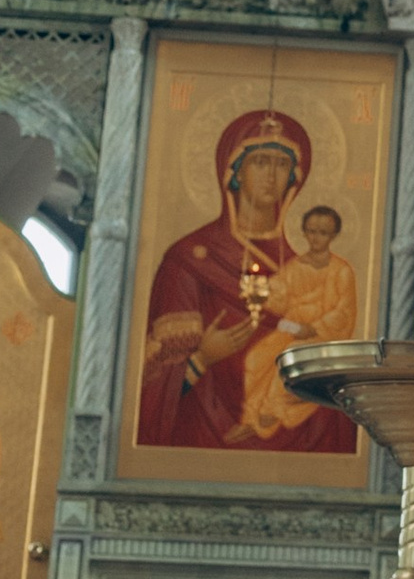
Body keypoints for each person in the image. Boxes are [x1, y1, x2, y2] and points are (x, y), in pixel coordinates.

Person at [138, 110, 353, 456]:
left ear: (294, 178)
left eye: (281, 165)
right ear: (234, 172)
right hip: (199, 440)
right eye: (260, 162)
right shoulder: (189, 260)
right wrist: (202, 359)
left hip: (296, 434)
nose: (271, 175)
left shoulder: (309, 268)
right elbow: (149, 392)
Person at [236, 201, 361, 439]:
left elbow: (344, 312)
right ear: (303, 232)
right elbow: (279, 296)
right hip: (293, 330)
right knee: (255, 359)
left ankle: (271, 413)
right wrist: (260, 292)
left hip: (323, 336)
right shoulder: (295, 267)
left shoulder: (341, 271)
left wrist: (314, 328)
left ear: (333, 235)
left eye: (323, 233)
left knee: (291, 358)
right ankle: (251, 417)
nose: (316, 238)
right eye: (311, 231)